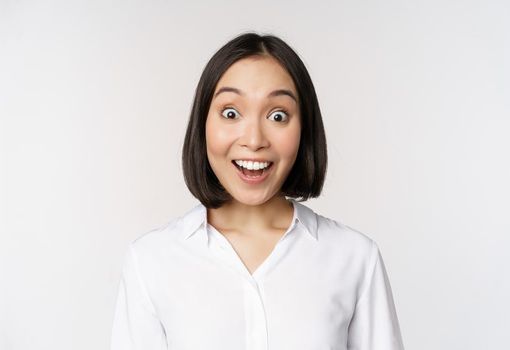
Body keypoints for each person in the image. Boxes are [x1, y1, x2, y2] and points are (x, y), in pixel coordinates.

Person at [110, 32, 404, 350]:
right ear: (202, 124)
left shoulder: (355, 259)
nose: (253, 139)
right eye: (231, 113)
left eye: (278, 115)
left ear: (304, 130)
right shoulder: (151, 261)